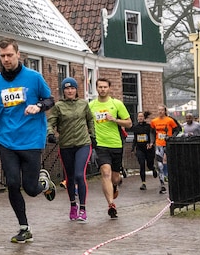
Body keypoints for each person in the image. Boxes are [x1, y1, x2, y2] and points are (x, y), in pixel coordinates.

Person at [0, 38, 56, 244]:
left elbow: (49, 99)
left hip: (31, 139)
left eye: (9, 55)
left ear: (18, 54)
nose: (6, 59)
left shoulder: (34, 77)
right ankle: (24, 227)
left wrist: (38, 107)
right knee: (12, 183)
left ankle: (44, 183)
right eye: (2, 56)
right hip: (6, 140)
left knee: (31, 189)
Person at [48, 77, 96, 222]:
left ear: (76, 90)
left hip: (83, 143)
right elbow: (51, 122)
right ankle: (73, 206)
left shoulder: (83, 104)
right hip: (66, 145)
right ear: (63, 91)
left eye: (72, 88)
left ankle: (83, 208)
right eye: (67, 88)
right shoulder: (58, 106)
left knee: (79, 175)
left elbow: (90, 120)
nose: (70, 91)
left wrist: (93, 135)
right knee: (69, 177)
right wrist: (50, 133)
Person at [88, 78, 131, 219]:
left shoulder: (116, 104)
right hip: (100, 145)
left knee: (115, 177)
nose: (102, 89)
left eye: (105, 87)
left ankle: (115, 186)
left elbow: (129, 123)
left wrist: (115, 120)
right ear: (96, 88)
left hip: (116, 144)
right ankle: (111, 205)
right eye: (100, 87)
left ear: (109, 88)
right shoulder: (91, 105)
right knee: (105, 172)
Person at [150, 107, 179, 195]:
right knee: (160, 165)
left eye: (162, 110)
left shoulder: (170, 120)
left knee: (169, 163)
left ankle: (172, 182)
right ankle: (162, 184)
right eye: (159, 110)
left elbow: (177, 129)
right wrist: (152, 141)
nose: (160, 111)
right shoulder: (154, 121)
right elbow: (151, 132)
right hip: (159, 145)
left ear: (165, 111)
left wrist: (172, 137)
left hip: (168, 145)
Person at [129, 111, 155, 191]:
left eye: (142, 116)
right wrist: (133, 148)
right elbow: (135, 138)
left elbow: (152, 135)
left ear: (144, 118)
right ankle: (143, 183)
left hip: (148, 148)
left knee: (149, 164)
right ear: (137, 118)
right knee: (142, 164)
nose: (140, 118)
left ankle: (153, 169)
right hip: (140, 148)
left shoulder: (148, 126)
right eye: (139, 116)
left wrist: (151, 143)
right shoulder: (135, 127)